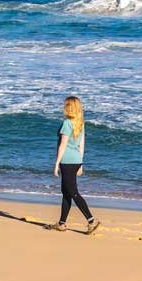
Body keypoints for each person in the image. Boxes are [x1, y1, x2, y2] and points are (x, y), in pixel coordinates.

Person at [51, 95, 100, 234]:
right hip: (76, 160)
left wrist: (56, 164)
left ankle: (91, 220)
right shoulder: (80, 123)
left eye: (65, 105)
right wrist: (81, 163)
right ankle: (62, 223)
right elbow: (81, 145)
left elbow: (63, 145)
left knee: (73, 192)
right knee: (66, 192)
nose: (63, 107)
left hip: (66, 161)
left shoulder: (67, 123)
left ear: (69, 108)